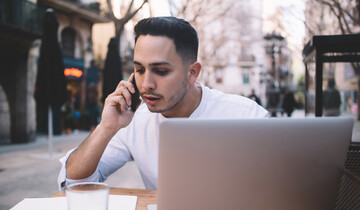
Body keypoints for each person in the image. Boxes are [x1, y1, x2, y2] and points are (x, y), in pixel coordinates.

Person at [58, 17, 269, 190]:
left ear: (192, 73)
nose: (146, 84)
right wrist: (106, 128)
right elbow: (73, 182)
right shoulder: (133, 119)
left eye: (160, 71)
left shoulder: (248, 117)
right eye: (139, 70)